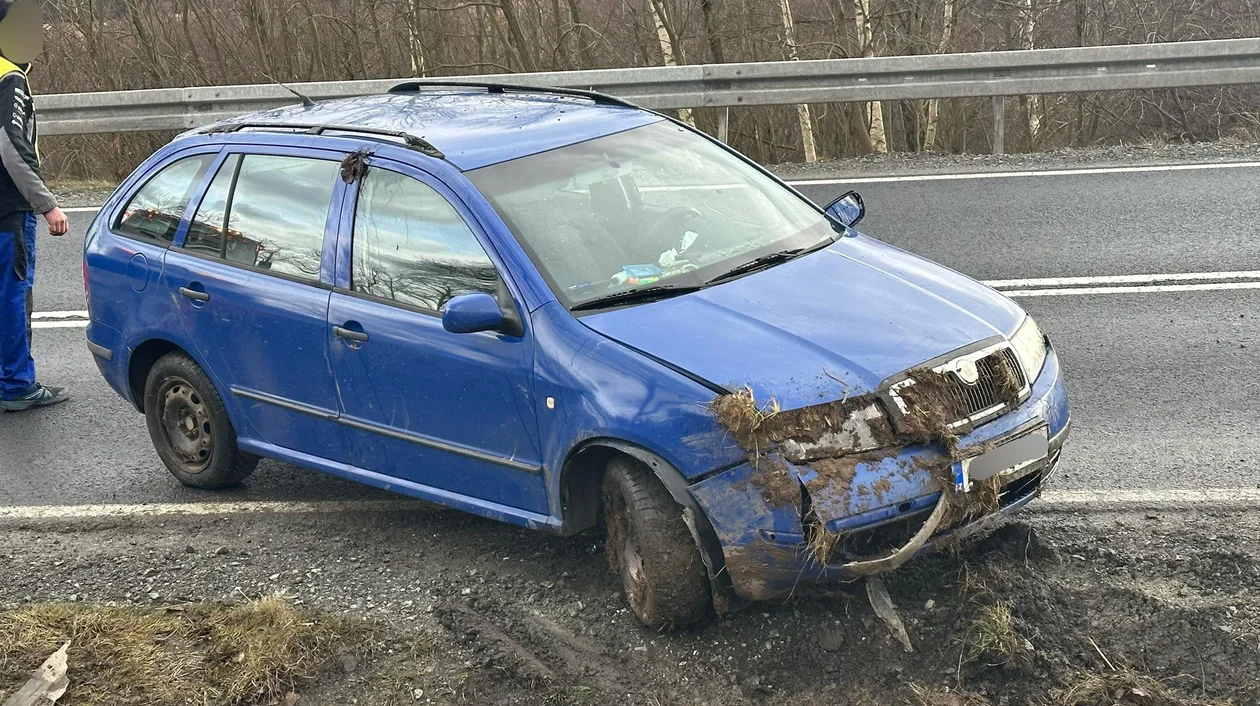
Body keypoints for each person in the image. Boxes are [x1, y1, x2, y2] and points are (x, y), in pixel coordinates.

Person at [0, 29, 69, 411]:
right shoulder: (9, 77)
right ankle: (15, 385)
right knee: (12, 295)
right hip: (8, 208)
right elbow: (11, 147)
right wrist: (46, 204)